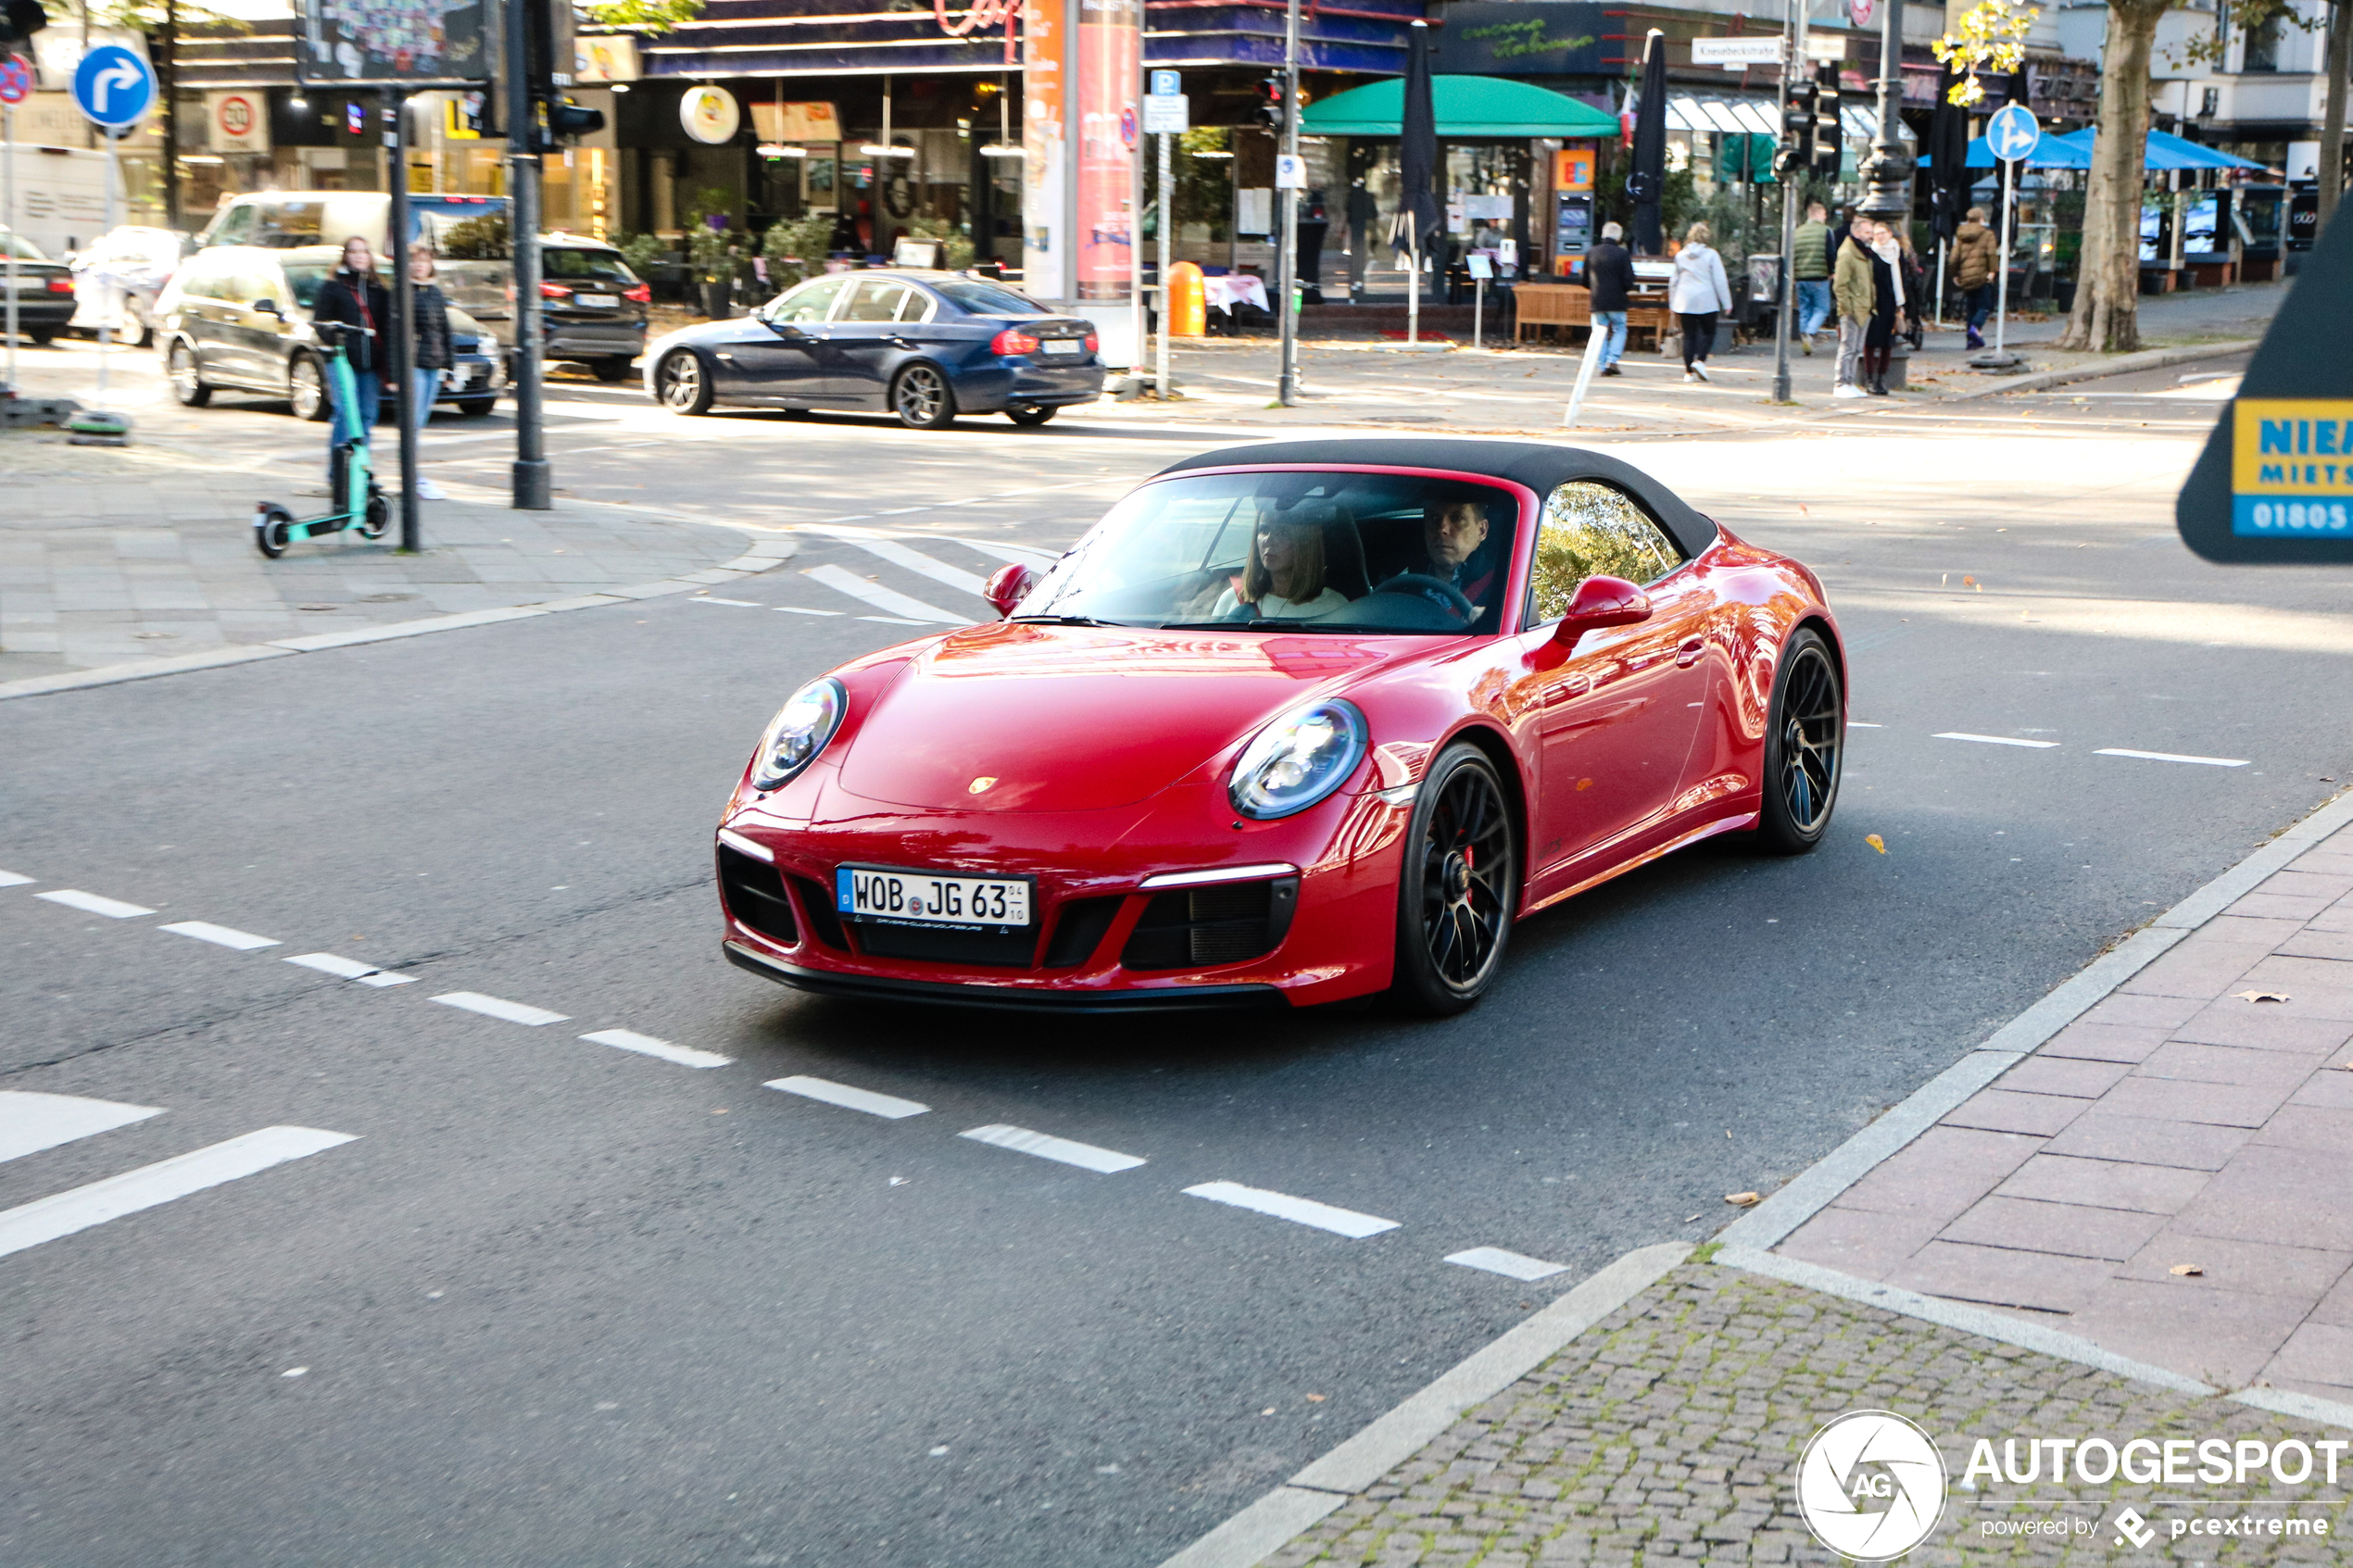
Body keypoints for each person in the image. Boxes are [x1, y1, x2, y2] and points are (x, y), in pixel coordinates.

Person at [308, 235, 391, 452]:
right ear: (346, 256)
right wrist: (339, 343)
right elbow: (321, 323)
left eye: (363, 251)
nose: (359, 256)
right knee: (345, 414)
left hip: (370, 363)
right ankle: (339, 475)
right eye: (354, 252)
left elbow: (387, 327)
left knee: (367, 414)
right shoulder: (333, 287)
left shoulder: (378, 290)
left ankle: (360, 468)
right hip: (342, 361)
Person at [1213, 507, 1351, 621]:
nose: (1269, 540)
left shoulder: (1333, 607)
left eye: (1283, 532)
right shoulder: (1232, 599)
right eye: (1263, 530)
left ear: (1305, 543)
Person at [405, 242, 451, 502]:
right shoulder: (405, 291)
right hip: (414, 363)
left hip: (433, 362)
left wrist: (450, 366)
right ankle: (413, 478)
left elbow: (445, 329)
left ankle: (414, 476)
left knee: (419, 423)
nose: (419, 264)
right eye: (415, 260)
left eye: (424, 260)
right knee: (412, 424)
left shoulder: (434, 292)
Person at [1667, 220, 1731, 383]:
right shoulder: (1712, 255)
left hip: (1684, 300)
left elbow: (1674, 281)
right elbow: (1720, 280)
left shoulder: (1680, 255)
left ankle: (1688, 372)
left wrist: (1672, 303)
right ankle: (1700, 361)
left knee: (1689, 336)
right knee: (1709, 332)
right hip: (1707, 300)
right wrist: (1727, 302)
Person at [1582, 220, 1637, 377]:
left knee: (1600, 332)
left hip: (1597, 301)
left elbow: (1585, 280)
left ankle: (1602, 365)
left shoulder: (1591, 252)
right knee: (1620, 328)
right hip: (1617, 301)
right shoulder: (1622, 254)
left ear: (1603, 234)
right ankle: (1612, 360)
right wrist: (1623, 290)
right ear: (1618, 237)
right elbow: (1629, 280)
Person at [1831, 212, 1875, 399]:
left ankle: (1849, 382)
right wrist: (1847, 307)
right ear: (1857, 232)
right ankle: (1841, 382)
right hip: (1853, 308)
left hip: (1864, 306)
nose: (1871, 236)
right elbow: (1840, 285)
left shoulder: (1863, 254)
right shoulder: (1849, 254)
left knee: (1857, 348)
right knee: (1848, 347)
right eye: (1867, 232)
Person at [1862, 220, 1905, 396]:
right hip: (1874, 302)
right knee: (1871, 341)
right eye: (1877, 233)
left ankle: (1882, 379)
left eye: (1883, 232)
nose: (1880, 236)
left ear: (1890, 234)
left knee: (1888, 342)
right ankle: (1870, 379)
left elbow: (1903, 278)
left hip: (1891, 301)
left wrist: (1901, 304)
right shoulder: (1871, 254)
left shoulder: (1897, 253)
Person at [1952, 206, 2000, 350]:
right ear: (1981, 219)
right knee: (1984, 306)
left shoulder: (1960, 235)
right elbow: (1991, 254)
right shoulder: (1987, 235)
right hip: (1981, 276)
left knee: (1971, 308)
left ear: (1968, 220)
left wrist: (1954, 274)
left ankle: (1970, 341)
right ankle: (1975, 328)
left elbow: (1953, 258)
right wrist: (1992, 271)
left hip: (1966, 276)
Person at [1792, 201, 1833, 354]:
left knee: (1805, 309)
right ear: (1818, 214)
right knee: (1822, 308)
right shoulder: (1825, 231)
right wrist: (1832, 271)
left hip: (1801, 278)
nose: (1825, 217)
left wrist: (1795, 274)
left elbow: (1792, 255)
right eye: (1824, 214)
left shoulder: (1798, 232)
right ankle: (1810, 332)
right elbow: (1830, 253)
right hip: (1819, 276)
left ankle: (1804, 337)